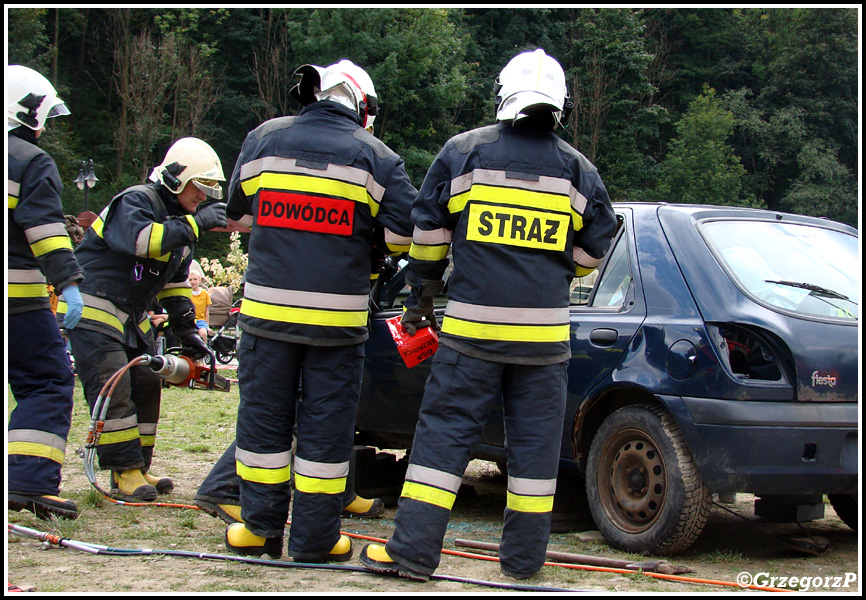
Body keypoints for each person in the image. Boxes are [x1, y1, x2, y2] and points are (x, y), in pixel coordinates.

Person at [359, 49, 618, 581]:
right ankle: (523, 563)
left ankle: (411, 553)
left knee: (443, 439)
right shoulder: (578, 169)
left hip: (471, 335)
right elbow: (599, 242)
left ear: (504, 93)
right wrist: (559, 268)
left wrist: (422, 293)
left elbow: (428, 231)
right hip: (544, 342)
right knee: (535, 451)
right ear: (560, 104)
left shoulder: (463, 153)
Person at [222, 59, 415, 562]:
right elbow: (404, 233)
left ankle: (258, 530)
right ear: (362, 107)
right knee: (325, 429)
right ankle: (315, 540)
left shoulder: (262, 138)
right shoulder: (378, 157)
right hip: (336, 326)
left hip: (266, 320)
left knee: (263, 424)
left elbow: (239, 215)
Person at [60, 137, 228, 501]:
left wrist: (188, 332)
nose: (203, 197)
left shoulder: (183, 225)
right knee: (114, 388)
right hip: (95, 306)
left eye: (208, 191)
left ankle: (138, 466)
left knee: (147, 382)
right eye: (200, 187)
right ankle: (124, 471)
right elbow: (142, 241)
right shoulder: (137, 200)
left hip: (129, 315)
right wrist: (196, 225)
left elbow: (175, 286)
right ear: (176, 179)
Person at [7, 65, 85, 520]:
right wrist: (69, 284)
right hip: (15, 299)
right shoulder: (27, 160)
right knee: (47, 381)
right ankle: (28, 481)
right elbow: (46, 233)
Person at [188, 269, 211, 343]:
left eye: (195, 279)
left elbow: (206, 311)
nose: (193, 282)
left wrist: (207, 326)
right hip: (190, 320)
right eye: (190, 280)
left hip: (201, 320)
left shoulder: (205, 294)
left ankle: (204, 351)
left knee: (203, 333)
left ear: (199, 280)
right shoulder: (187, 294)